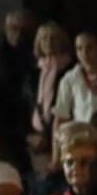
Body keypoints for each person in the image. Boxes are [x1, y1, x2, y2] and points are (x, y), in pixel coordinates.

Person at [25, 21, 75, 166]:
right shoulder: (32, 74)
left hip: (62, 139)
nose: (48, 42)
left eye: (54, 38)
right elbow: (23, 107)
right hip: (34, 141)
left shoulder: (71, 71)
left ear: (62, 42)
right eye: (44, 38)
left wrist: (47, 138)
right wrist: (28, 136)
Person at [0, 8, 38, 129]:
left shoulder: (34, 46)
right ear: (5, 28)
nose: (19, 35)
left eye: (25, 31)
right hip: (2, 112)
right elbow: (8, 80)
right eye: (14, 28)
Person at [54, 31, 97, 125]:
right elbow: (61, 116)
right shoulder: (69, 79)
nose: (84, 53)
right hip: (84, 132)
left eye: (89, 47)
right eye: (79, 49)